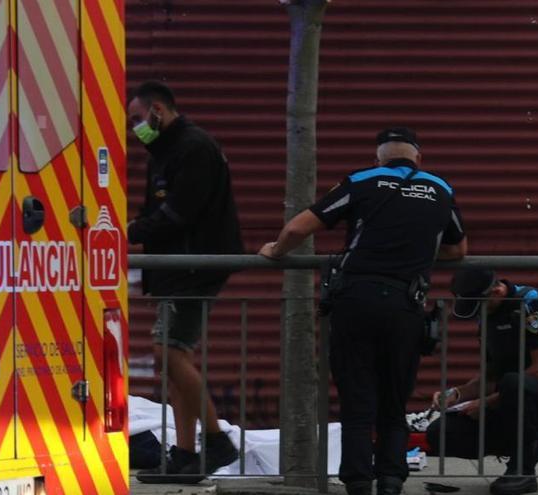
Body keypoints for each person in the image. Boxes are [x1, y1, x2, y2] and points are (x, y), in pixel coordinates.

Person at [259, 127, 467, 495]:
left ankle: (357, 481)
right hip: (407, 305)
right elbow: (457, 250)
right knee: (395, 396)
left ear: (379, 159)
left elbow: (298, 227)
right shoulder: (440, 189)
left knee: (357, 396)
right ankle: (390, 479)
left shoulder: (362, 180)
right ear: (419, 159)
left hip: (357, 300)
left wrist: (275, 250)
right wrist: (411, 254)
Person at [127, 80, 243, 483]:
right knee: (173, 362)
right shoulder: (166, 151)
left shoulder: (192, 147)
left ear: (158, 109)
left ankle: (216, 442)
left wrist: (129, 232)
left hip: (194, 268)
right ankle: (185, 454)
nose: (135, 128)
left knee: (168, 353)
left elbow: (179, 214)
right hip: (177, 269)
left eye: (138, 118)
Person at [427, 268, 538, 495]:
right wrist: (456, 394)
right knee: (440, 433)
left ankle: (522, 471)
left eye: (480, 305)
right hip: (506, 403)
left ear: (496, 290)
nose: (479, 313)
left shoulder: (531, 304)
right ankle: (527, 447)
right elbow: (490, 378)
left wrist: (485, 403)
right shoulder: (487, 318)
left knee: (515, 382)